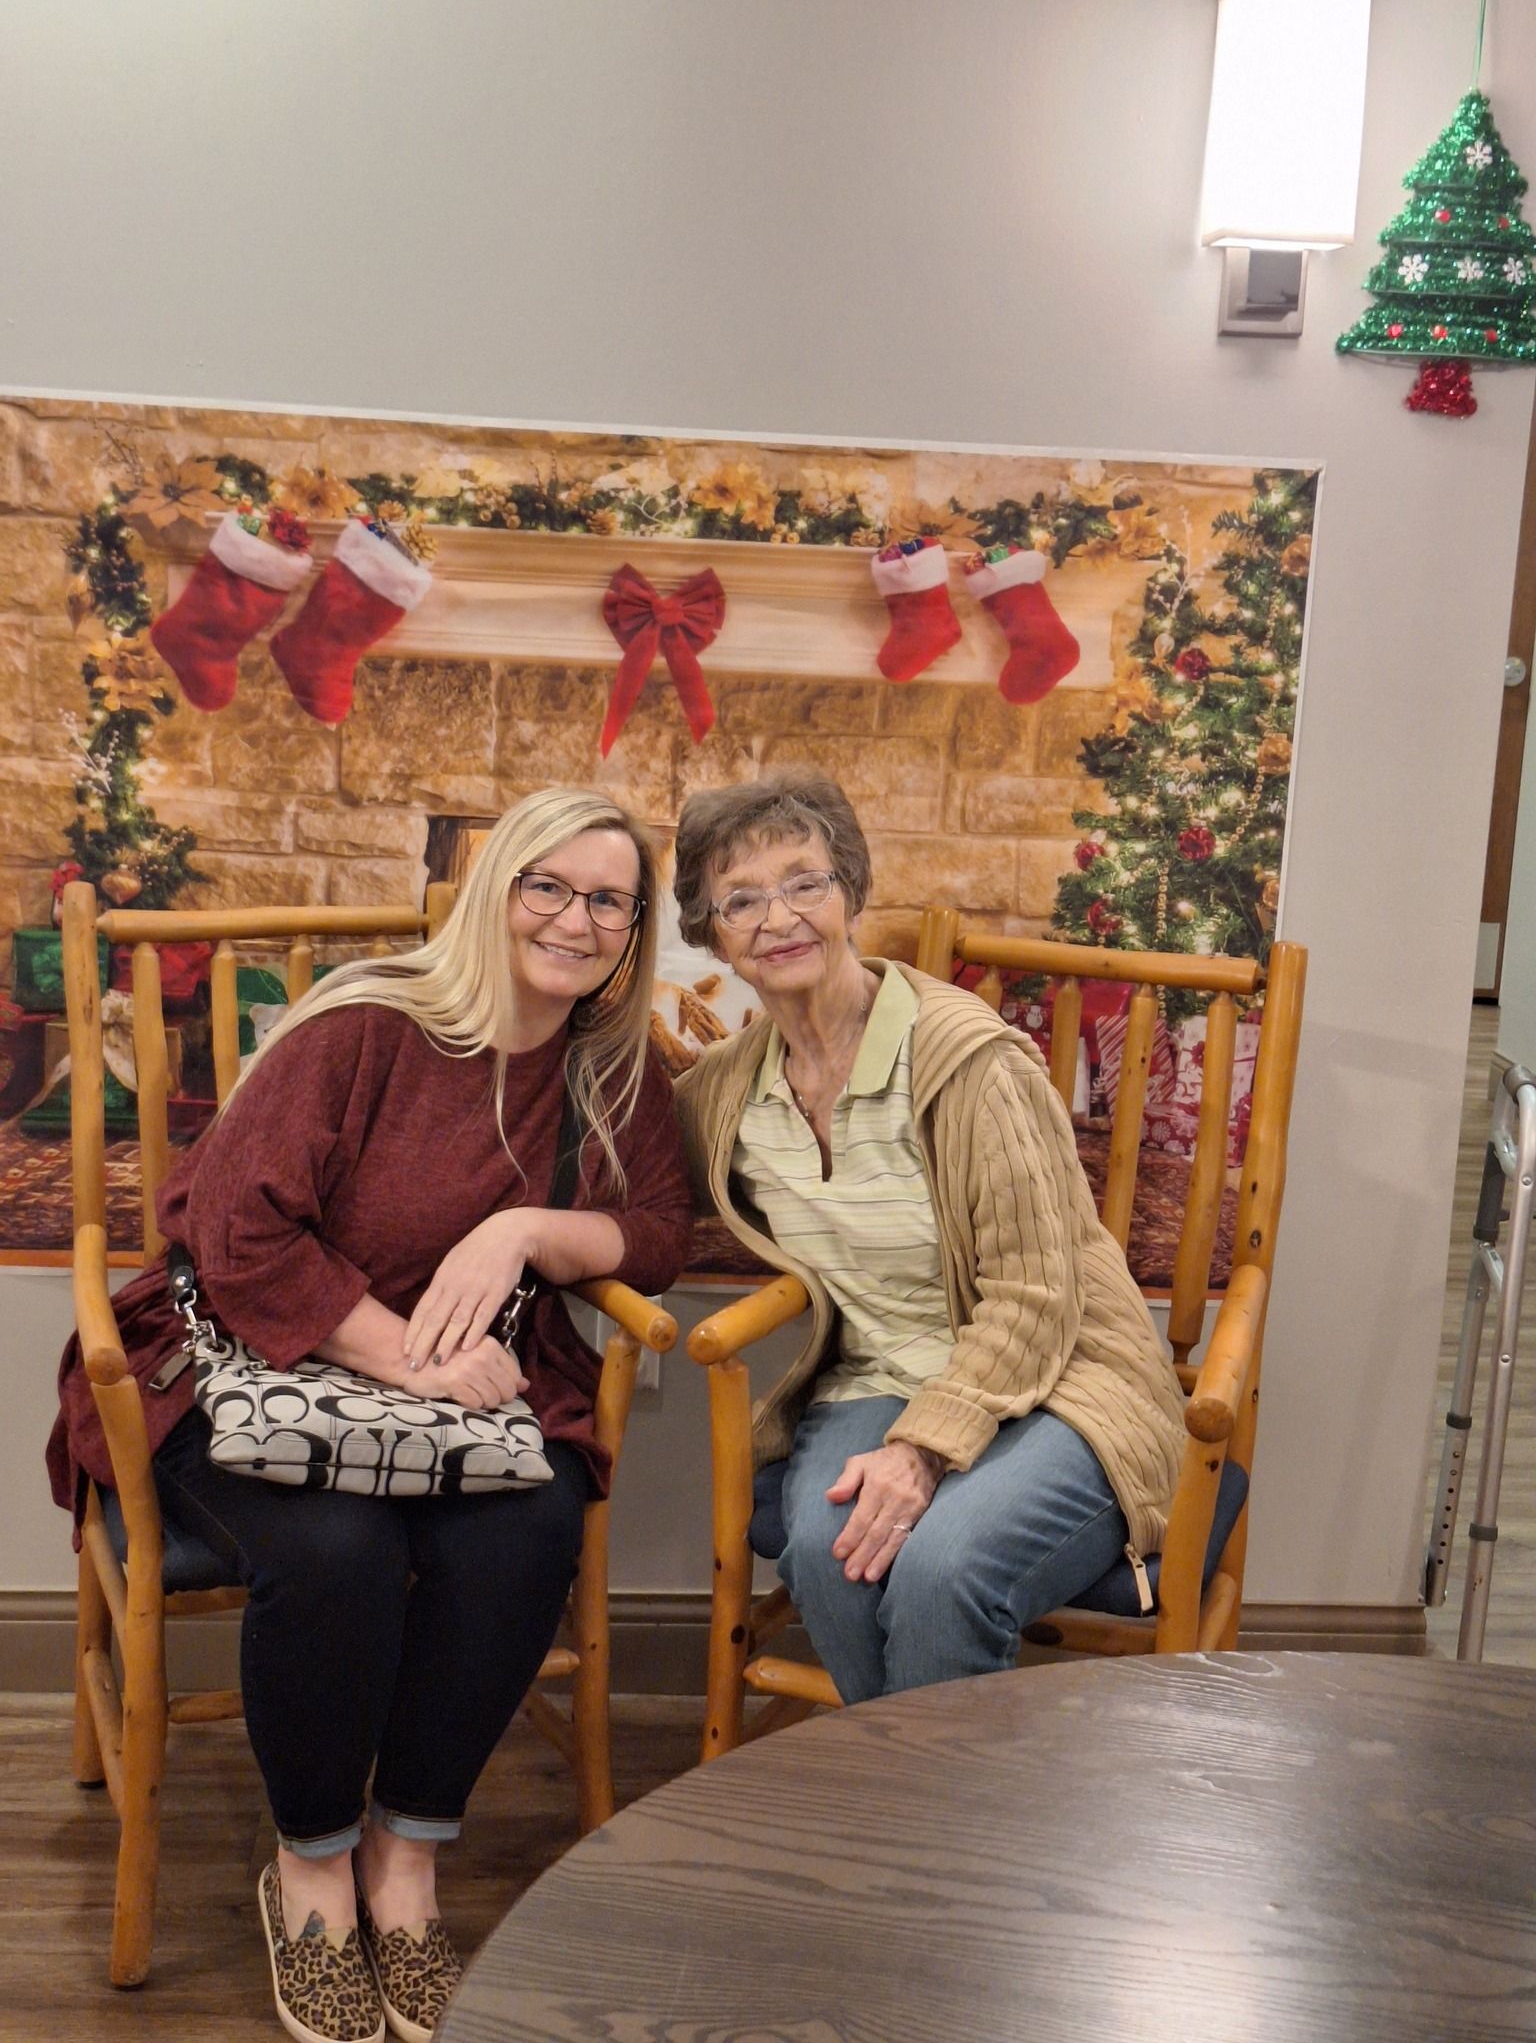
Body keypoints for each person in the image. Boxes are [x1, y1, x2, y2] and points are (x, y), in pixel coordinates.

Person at [48, 788, 691, 2043]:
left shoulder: (613, 1068)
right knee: (339, 1548)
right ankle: (310, 1869)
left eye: (608, 899)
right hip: (252, 1366)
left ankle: (405, 1858)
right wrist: (404, 1355)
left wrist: (527, 1230)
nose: (575, 919)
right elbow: (233, 1227)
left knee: (526, 1530)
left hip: (462, 1396)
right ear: (496, 888)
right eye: (547, 885)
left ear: (633, 927)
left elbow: (661, 1231)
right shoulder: (364, 1024)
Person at [671, 770, 1185, 1708]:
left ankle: (925, 1802)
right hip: (875, 1378)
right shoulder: (729, 1092)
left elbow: (1036, 1297)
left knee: (943, 1569)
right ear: (710, 934)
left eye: (805, 883)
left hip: (1063, 1379)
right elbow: (615, 1177)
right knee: (829, 1557)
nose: (779, 918)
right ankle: (918, 1789)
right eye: (741, 900)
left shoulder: (968, 1063)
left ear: (851, 893)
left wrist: (922, 1452)